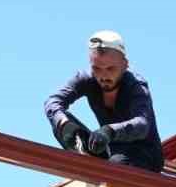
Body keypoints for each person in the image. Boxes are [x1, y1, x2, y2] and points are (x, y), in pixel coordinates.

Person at [44, 31, 164, 171]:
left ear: (125, 65)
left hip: (145, 156)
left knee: (116, 164)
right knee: (61, 124)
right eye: (97, 69)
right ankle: (87, 161)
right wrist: (63, 123)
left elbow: (142, 125)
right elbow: (53, 101)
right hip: (107, 150)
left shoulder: (136, 85)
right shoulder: (86, 79)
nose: (103, 76)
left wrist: (109, 131)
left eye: (110, 69)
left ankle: (100, 168)